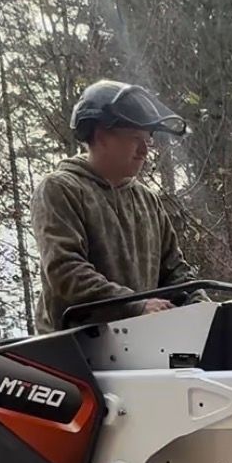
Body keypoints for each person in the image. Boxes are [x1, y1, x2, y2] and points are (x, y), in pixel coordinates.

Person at [31, 80, 207, 333]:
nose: (145, 150)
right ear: (101, 136)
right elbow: (66, 271)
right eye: (135, 139)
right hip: (73, 349)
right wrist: (136, 306)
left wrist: (203, 307)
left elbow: (175, 271)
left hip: (139, 340)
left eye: (148, 140)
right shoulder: (60, 189)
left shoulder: (148, 200)